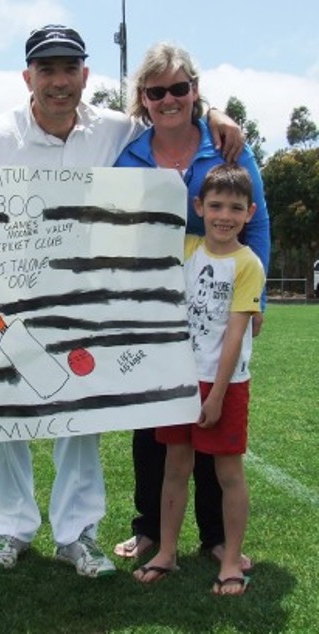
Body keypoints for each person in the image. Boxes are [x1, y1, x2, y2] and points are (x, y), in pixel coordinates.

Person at [0, 26, 243, 579]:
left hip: (82, 301)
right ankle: (11, 528)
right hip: (4, 303)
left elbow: (172, 112)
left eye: (69, 70)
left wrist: (217, 115)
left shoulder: (114, 129)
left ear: (86, 76)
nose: (59, 82)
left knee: (79, 416)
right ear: (28, 78)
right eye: (47, 71)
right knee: (3, 419)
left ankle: (77, 533)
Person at [113, 42, 270, 569]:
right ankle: (151, 531)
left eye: (180, 88)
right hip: (152, 310)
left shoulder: (224, 145)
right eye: (157, 92)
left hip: (216, 306)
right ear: (143, 99)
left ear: (195, 91)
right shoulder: (129, 155)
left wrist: (258, 299)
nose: (169, 99)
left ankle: (213, 537)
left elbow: (260, 220)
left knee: (210, 419)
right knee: (152, 427)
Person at [133, 163, 265, 597]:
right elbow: (146, 224)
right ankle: (167, 551)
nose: (224, 215)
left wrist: (218, 395)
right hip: (178, 379)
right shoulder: (186, 248)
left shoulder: (248, 265)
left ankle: (229, 560)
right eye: (215, 206)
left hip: (223, 383)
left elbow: (234, 335)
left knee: (228, 472)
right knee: (175, 467)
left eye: (235, 207)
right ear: (198, 207)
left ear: (249, 213)